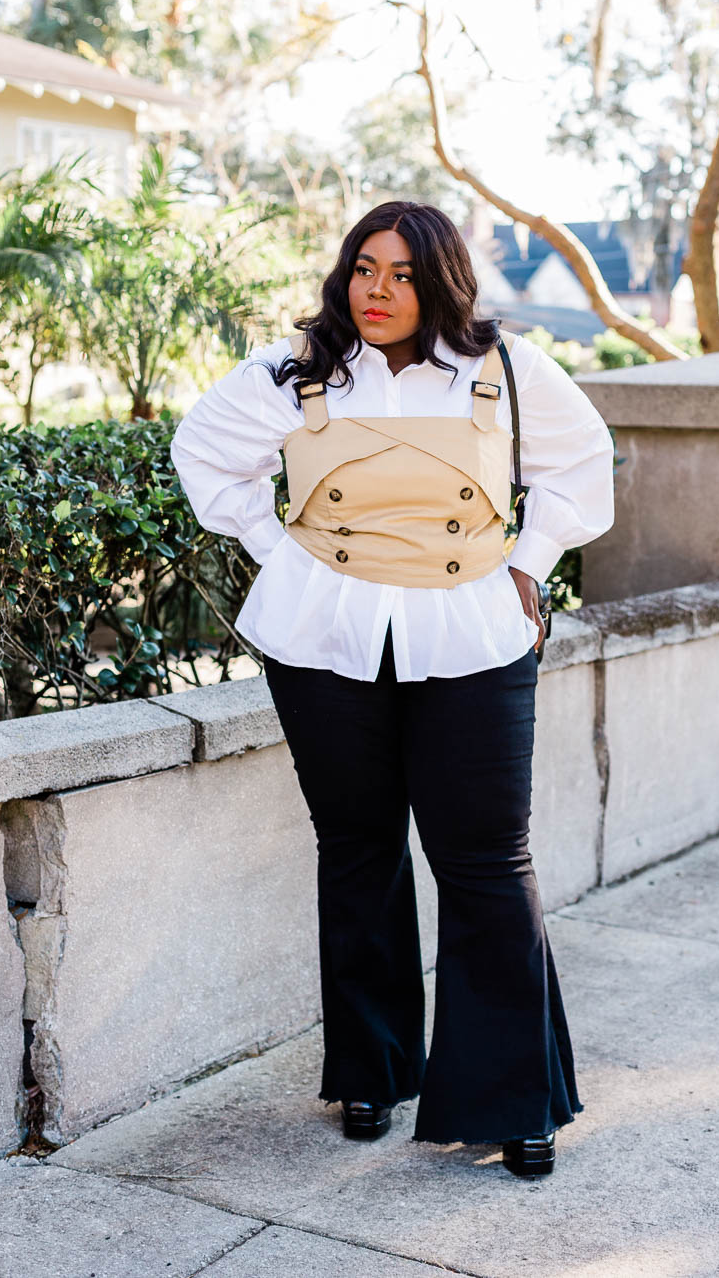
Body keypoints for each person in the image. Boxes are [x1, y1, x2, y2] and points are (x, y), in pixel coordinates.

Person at [169, 199, 614, 1178]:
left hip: (472, 631)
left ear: (442, 282)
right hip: (321, 633)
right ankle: (369, 1072)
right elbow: (203, 453)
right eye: (363, 267)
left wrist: (528, 562)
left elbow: (583, 470)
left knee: (488, 862)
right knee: (358, 850)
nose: (376, 290)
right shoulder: (293, 374)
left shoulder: (508, 371)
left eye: (403, 273)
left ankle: (515, 1097)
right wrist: (277, 550)